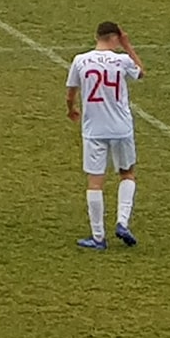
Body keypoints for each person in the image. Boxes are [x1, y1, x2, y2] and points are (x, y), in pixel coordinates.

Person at [67, 21, 145, 250]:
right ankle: (122, 221)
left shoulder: (80, 60)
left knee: (95, 181)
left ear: (97, 36)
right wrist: (128, 46)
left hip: (94, 130)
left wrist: (70, 109)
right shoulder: (122, 60)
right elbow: (141, 73)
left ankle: (98, 237)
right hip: (121, 128)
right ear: (116, 38)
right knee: (127, 173)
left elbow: (71, 91)